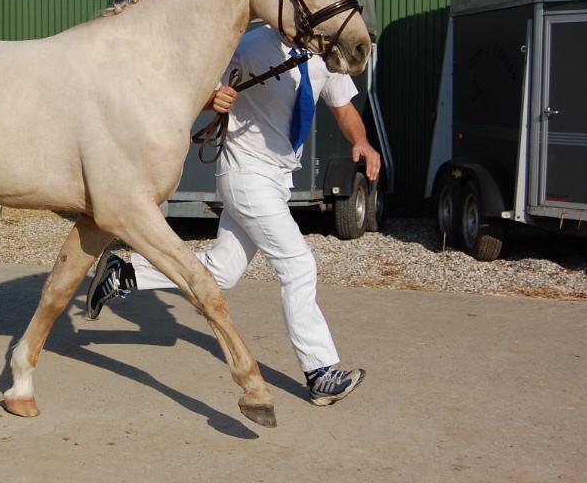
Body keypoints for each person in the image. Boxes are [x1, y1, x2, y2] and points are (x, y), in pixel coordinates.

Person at [86, 23, 380, 406]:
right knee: (298, 267)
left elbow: (342, 108)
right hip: (246, 174)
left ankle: (123, 273)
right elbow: (193, 88)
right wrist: (212, 100)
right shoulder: (251, 46)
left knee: (223, 270)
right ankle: (320, 371)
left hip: (277, 178)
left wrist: (360, 141)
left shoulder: (323, 51)